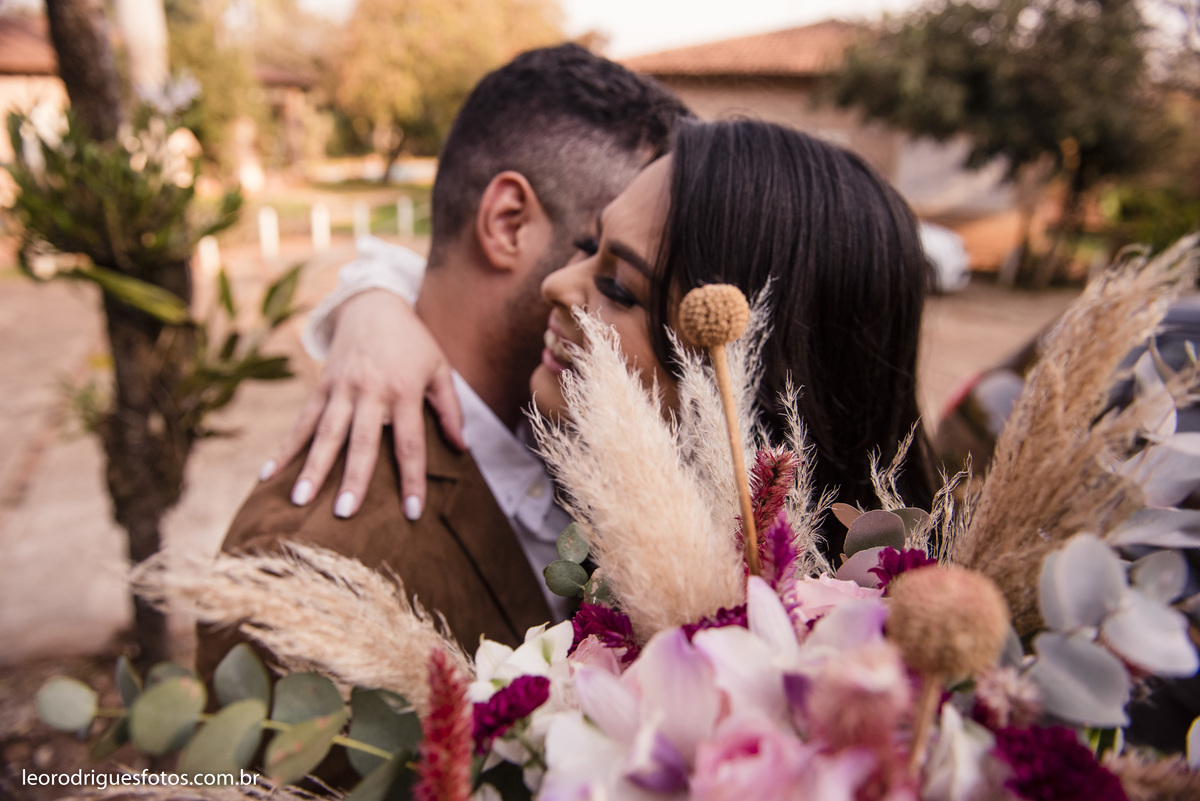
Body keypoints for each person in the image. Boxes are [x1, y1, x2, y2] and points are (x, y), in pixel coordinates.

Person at [196, 44, 690, 682]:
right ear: (508, 224)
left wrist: (371, 291)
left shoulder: (605, 447)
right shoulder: (311, 557)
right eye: (596, 250)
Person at [291, 118, 936, 560]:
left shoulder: (839, 635)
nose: (557, 284)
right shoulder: (584, 476)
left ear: (761, 373)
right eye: (587, 244)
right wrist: (373, 301)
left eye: (622, 288)